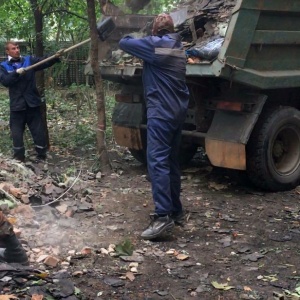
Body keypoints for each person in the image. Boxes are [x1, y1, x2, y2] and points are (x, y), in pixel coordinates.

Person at [119, 13, 190, 240]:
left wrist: (134, 34)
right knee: (170, 161)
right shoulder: (178, 47)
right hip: (177, 111)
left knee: (157, 162)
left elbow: (124, 43)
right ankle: (176, 211)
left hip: (161, 112)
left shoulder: (157, 46)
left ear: (155, 32)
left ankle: (162, 218)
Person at [0, 41, 61, 162]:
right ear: (7, 51)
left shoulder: (29, 60)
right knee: (16, 133)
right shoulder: (3, 66)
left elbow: (43, 61)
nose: (17, 50)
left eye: (17, 48)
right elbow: (5, 81)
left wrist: (55, 56)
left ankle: (42, 156)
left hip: (32, 103)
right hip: (17, 106)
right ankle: (19, 158)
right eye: (13, 48)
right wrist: (16, 74)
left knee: (38, 130)